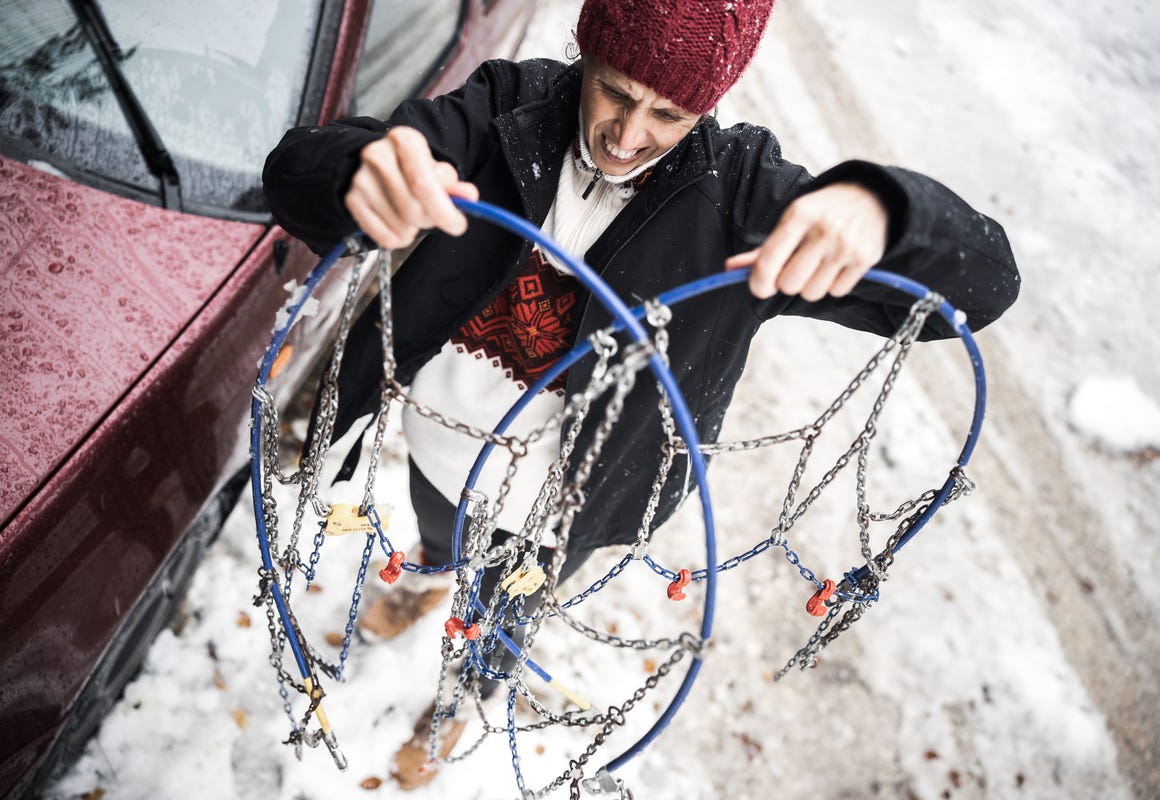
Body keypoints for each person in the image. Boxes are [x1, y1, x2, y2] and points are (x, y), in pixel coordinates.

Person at [263, 0, 1018, 772]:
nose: (628, 137)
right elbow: (298, 170)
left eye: (669, 113)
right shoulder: (504, 109)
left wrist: (884, 208)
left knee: (503, 614)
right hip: (441, 440)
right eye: (616, 92)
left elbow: (986, 286)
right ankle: (430, 572)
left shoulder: (745, 201)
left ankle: (460, 702)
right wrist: (358, 171)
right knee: (440, 530)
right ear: (587, 51)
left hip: (565, 508)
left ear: (709, 104)